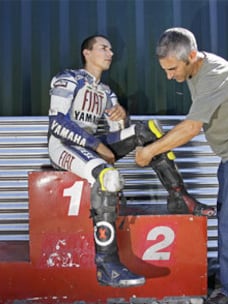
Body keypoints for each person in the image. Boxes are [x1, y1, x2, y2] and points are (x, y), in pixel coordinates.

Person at [48, 34, 216, 288]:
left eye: (111, 49)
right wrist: (97, 145)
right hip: (64, 146)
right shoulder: (68, 79)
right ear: (87, 53)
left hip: (94, 145)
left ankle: (178, 196)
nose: (110, 53)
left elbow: (119, 131)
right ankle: (106, 265)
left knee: (148, 130)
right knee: (108, 176)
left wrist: (122, 116)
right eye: (104, 48)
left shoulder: (106, 91)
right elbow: (58, 123)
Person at [135, 27, 228, 303]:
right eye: (165, 69)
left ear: (192, 56)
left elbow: (191, 128)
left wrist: (150, 151)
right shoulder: (195, 69)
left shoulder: (214, 75)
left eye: (172, 68)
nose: (169, 76)